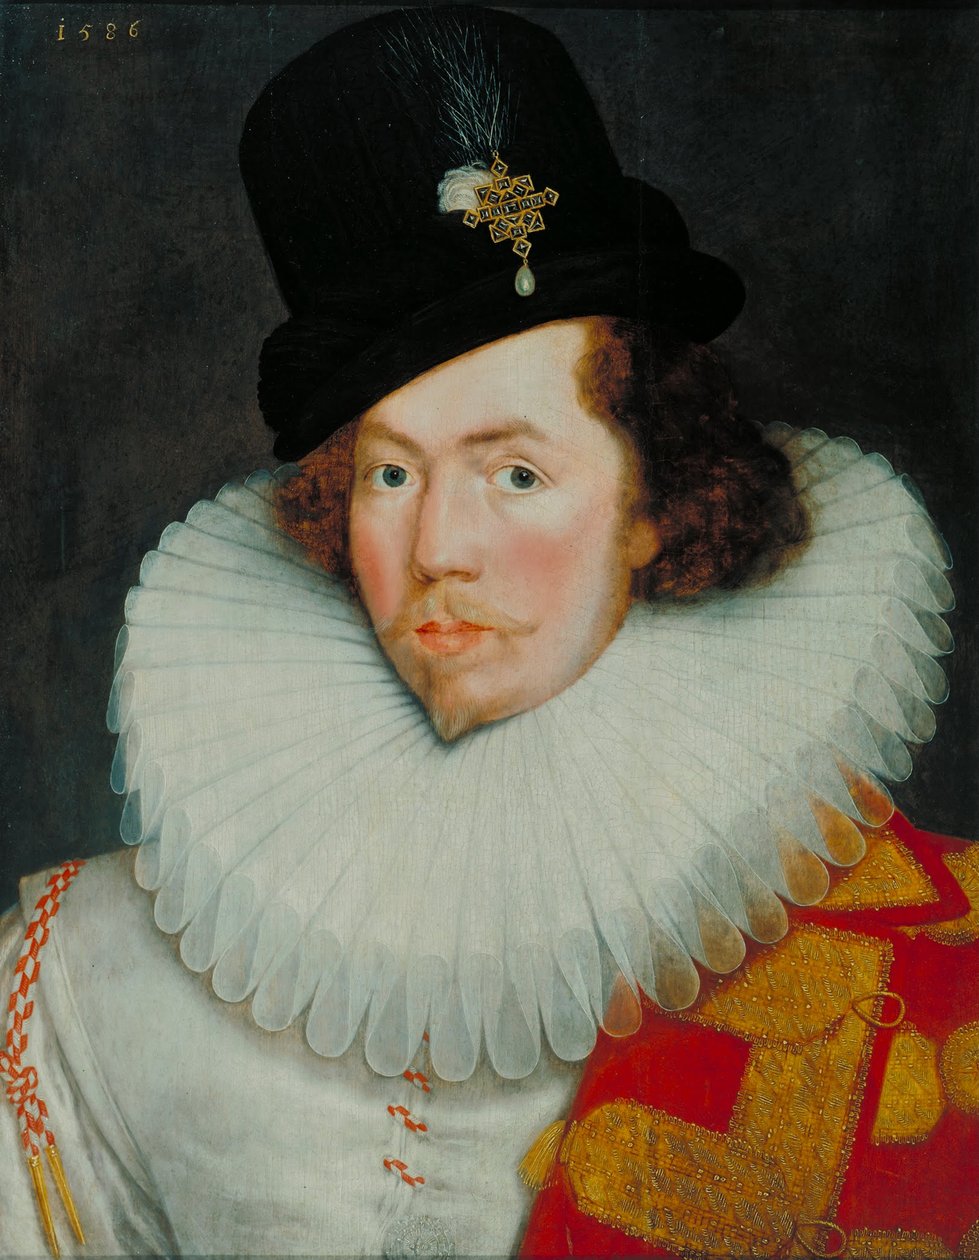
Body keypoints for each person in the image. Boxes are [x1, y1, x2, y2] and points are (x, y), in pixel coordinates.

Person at [1, 7, 976, 1258]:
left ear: (653, 501)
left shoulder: (931, 949)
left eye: (515, 473)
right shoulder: (88, 968)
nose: (438, 549)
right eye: (390, 475)